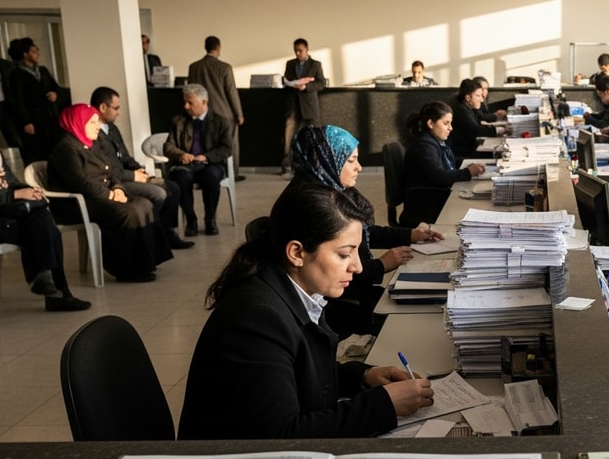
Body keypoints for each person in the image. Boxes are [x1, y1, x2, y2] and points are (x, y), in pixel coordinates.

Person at [177, 182, 435, 439]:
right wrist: (383, 406)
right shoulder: (256, 318)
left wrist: (363, 376)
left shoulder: (302, 289)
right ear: (297, 253)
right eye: (345, 254)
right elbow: (283, 435)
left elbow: (293, 374)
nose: (357, 266)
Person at [290, 124, 444, 336]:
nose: (359, 167)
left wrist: (410, 235)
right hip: (340, 298)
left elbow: (365, 232)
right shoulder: (317, 206)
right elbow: (339, 270)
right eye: (351, 160)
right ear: (327, 160)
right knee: (416, 322)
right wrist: (382, 265)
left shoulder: (332, 187)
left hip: (355, 288)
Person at [0, 107, 90, 311]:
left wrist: (28, 190)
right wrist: (14, 195)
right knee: (43, 228)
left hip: (2, 213)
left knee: (43, 218)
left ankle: (47, 280)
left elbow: (11, 183)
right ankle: (54, 290)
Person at [47, 103, 172, 283]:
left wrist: (118, 188)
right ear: (77, 123)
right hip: (75, 203)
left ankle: (147, 261)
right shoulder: (66, 148)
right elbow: (79, 182)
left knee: (144, 204)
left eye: (97, 122)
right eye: (92, 122)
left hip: (99, 196)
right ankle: (126, 270)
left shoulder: (91, 143)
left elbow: (110, 171)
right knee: (128, 212)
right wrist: (110, 195)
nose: (97, 126)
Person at [90, 86, 193, 249]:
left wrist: (141, 171)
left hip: (127, 175)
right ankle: (151, 234)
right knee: (157, 193)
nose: (119, 112)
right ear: (103, 107)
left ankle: (167, 232)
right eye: (116, 108)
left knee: (173, 187)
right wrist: (133, 176)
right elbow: (105, 169)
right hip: (115, 182)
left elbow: (125, 156)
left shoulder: (112, 128)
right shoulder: (93, 134)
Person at [401, 100, 485, 227]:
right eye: (446, 123)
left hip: (435, 196)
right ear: (430, 123)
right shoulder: (425, 145)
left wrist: (468, 164)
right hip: (427, 204)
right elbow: (438, 176)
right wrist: (467, 172)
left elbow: (447, 161)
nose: (450, 128)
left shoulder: (435, 141)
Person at [163, 83, 233, 237]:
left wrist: (207, 156)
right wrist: (181, 154)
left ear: (204, 102)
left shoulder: (221, 121)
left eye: (190, 102)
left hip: (210, 164)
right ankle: (191, 219)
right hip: (186, 165)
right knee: (180, 178)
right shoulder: (179, 121)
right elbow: (169, 146)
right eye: (185, 102)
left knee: (211, 177)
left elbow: (227, 148)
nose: (186, 106)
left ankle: (210, 219)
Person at [187, 36, 243, 178]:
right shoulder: (225, 67)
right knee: (229, 144)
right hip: (224, 112)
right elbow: (231, 92)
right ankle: (232, 174)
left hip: (201, 112)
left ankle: (203, 173)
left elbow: (191, 90)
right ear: (218, 48)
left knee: (203, 142)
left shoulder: (194, 67)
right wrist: (239, 113)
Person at [6, 37, 61, 164]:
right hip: (33, 117)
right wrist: (26, 121)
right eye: (34, 51)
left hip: (49, 116)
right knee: (36, 151)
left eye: (37, 51)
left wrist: (55, 94)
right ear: (25, 54)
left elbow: (55, 87)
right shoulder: (17, 74)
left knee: (52, 148)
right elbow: (18, 100)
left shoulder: (42, 70)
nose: (37, 54)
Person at [281, 38, 325, 176]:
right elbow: (286, 80)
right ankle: (287, 166)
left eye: (300, 50)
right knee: (289, 136)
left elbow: (321, 83)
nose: (298, 53)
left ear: (307, 50)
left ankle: (316, 165)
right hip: (293, 105)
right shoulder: (290, 64)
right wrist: (288, 83)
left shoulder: (315, 64)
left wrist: (306, 86)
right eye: (296, 51)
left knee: (313, 135)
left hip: (309, 105)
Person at [448, 78, 500, 159]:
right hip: (462, 151)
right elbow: (475, 130)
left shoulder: (466, 106)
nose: (481, 99)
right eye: (478, 96)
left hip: (468, 147)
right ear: (468, 98)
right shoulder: (461, 108)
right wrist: (498, 130)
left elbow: (479, 119)